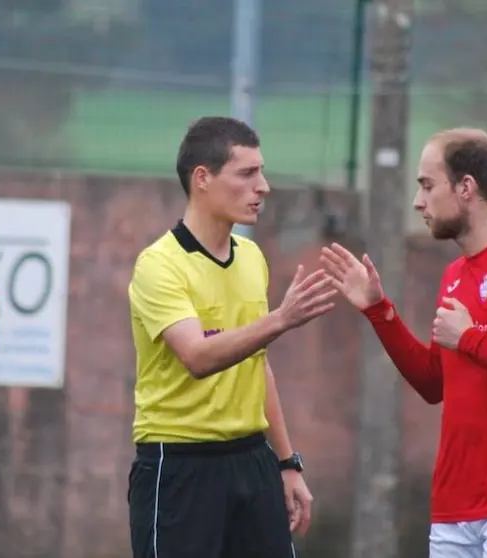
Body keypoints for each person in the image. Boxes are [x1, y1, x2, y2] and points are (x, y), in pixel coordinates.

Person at [320, 128, 487, 557]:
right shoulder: (456, 275)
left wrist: (472, 339)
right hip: (456, 506)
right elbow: (433, 384)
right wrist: (378, 310)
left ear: (466, 187)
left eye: (427, 185)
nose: (417, 201)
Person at [126, 116, 338, 558]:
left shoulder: (251, 257)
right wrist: (280, 319)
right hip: (180, 465)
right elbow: (197, 357)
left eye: (261, 172)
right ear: (202, 178)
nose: (263, 186)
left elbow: (256, 363)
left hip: (253, 462)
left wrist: (286, 462)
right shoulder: (159, 265)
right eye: (247, 173)